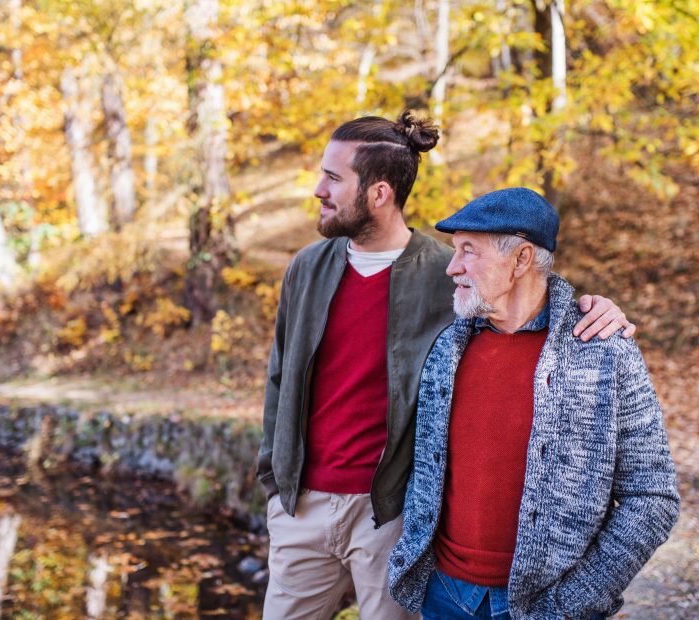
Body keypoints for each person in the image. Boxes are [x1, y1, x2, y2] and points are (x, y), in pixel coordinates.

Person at [258, 113, 636, 619]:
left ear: (378, 194)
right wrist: (274, 484)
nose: (317, 190)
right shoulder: (307, 266)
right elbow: (280, 377)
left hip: (389, 514)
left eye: (332, 177)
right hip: (299, 507)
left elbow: (526, 287)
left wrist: (597, 308)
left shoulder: (447, 273)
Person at [387, 187, 680, 619]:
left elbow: (652, 496)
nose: (453, 267)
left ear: (522, 259)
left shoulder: (602, 351)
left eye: (469, 250)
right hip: (443, 595)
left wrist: (572, 602)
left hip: (546, 604)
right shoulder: (447, 348)